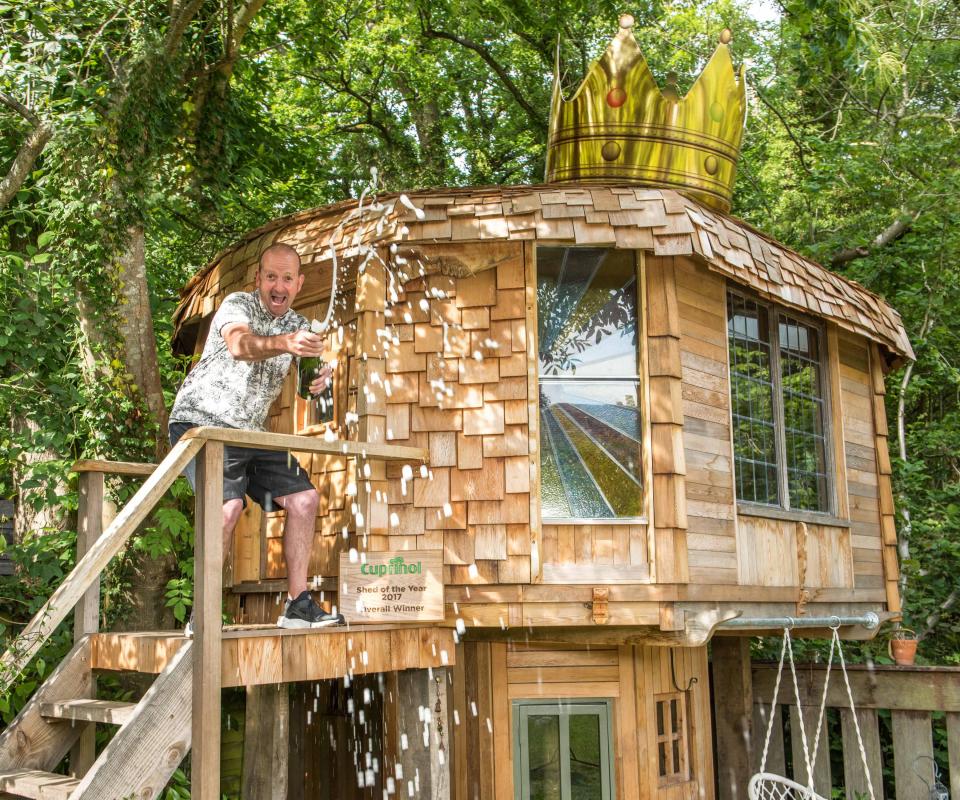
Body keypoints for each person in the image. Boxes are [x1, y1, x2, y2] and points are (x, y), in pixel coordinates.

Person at [169, 242, 343, 629]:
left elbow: (306, 387)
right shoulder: (238, 306)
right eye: (270, 277)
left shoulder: (298, 324)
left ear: (298, 284)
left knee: (304, 498)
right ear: (258, 279)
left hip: (250, 433)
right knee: (227, 508)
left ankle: (298, 605)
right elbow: (239, 345)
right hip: (202, 423)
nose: (277, 286)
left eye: (286, 278)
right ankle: (203, 616)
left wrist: (319, 381)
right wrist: (285, 344)